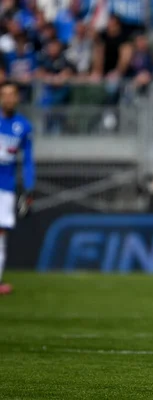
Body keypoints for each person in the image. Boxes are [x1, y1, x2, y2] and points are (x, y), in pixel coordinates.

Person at [0, 82, 35, 295]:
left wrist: (29, 188)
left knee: (1, 233)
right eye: (4, 94)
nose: (8, 98)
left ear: (17, 98)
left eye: (12, 94)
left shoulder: (23, 126)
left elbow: (28, 160)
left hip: (5, 186)